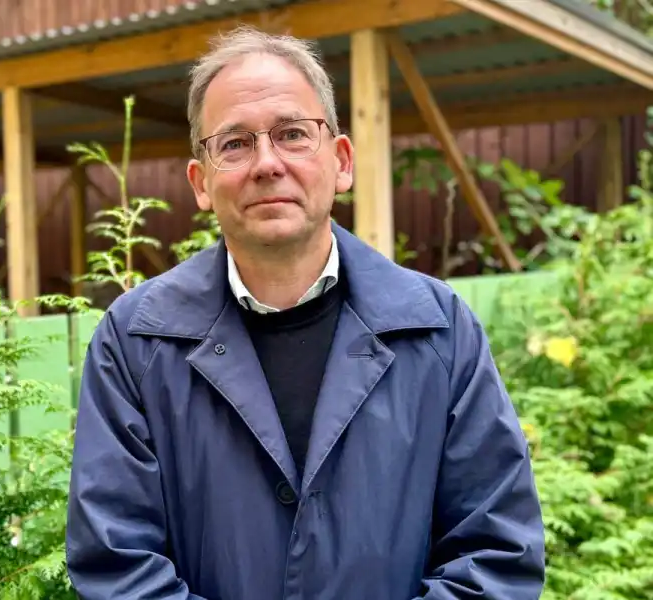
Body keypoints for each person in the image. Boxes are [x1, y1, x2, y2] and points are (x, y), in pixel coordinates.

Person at [65, 25, 545, 600]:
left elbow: (497, 556)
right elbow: (116, 564)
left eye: (293, 134)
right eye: (235, 143)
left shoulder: (439, 331)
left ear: (341, 161)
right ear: (201, 181)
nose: (267, 163)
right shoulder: (136, 342)